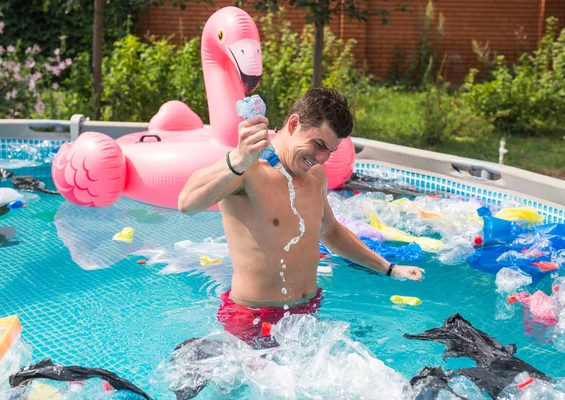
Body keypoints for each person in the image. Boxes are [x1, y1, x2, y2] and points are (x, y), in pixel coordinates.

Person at [178, 87, 424, 346]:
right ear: (294, 123)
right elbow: (187, 203)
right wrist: (237, 159)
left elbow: (330, 231)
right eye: (318, 145)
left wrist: (390, 269)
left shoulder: (315, 176)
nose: (321, 159)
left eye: (330, 151)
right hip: (252, 320)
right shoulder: (248, 171)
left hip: (306, 313)